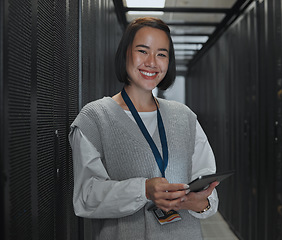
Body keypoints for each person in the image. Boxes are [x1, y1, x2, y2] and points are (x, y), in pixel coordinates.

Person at [69, 17, 219, 240]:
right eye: (143, 50)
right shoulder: (94, 119)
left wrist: (202, 203)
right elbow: (86, 197)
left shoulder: (185, 117)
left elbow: (206, 183)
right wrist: (143, 190)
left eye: (161, 54)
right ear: (125, 53)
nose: (152, 62)